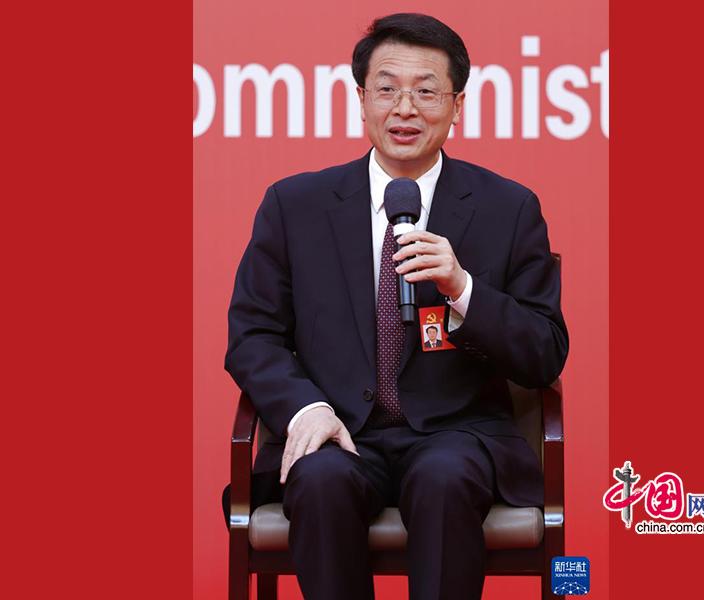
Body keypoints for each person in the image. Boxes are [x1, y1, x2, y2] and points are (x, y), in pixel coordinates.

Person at [223, 12, 568, 600]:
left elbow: (544, 353)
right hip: (336, 428)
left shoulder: (508, 209)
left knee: (444, 477)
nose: (405, 108)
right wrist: (305, 410)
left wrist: (463, 288)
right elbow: (253, 334)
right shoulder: (294, 206)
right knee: (321, 479)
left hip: (457, 436)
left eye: (426, 92)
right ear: (361, 99)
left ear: (457, 106)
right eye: (387, 89)